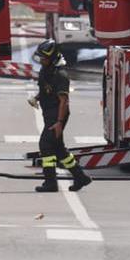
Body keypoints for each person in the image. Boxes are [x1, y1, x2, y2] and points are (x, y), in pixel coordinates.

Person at [29, 39, 92, 192]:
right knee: (59, 150)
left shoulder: (61, 75)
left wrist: (59, 122)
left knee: (45, 145)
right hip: (49, 113)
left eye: (44, 57)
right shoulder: (46, 71)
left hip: (57, 115)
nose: (41, 60)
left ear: (52, 58)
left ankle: (50, 183)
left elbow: (64, 102)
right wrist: (36, 98)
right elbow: (46, 90)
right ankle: (80, 177)